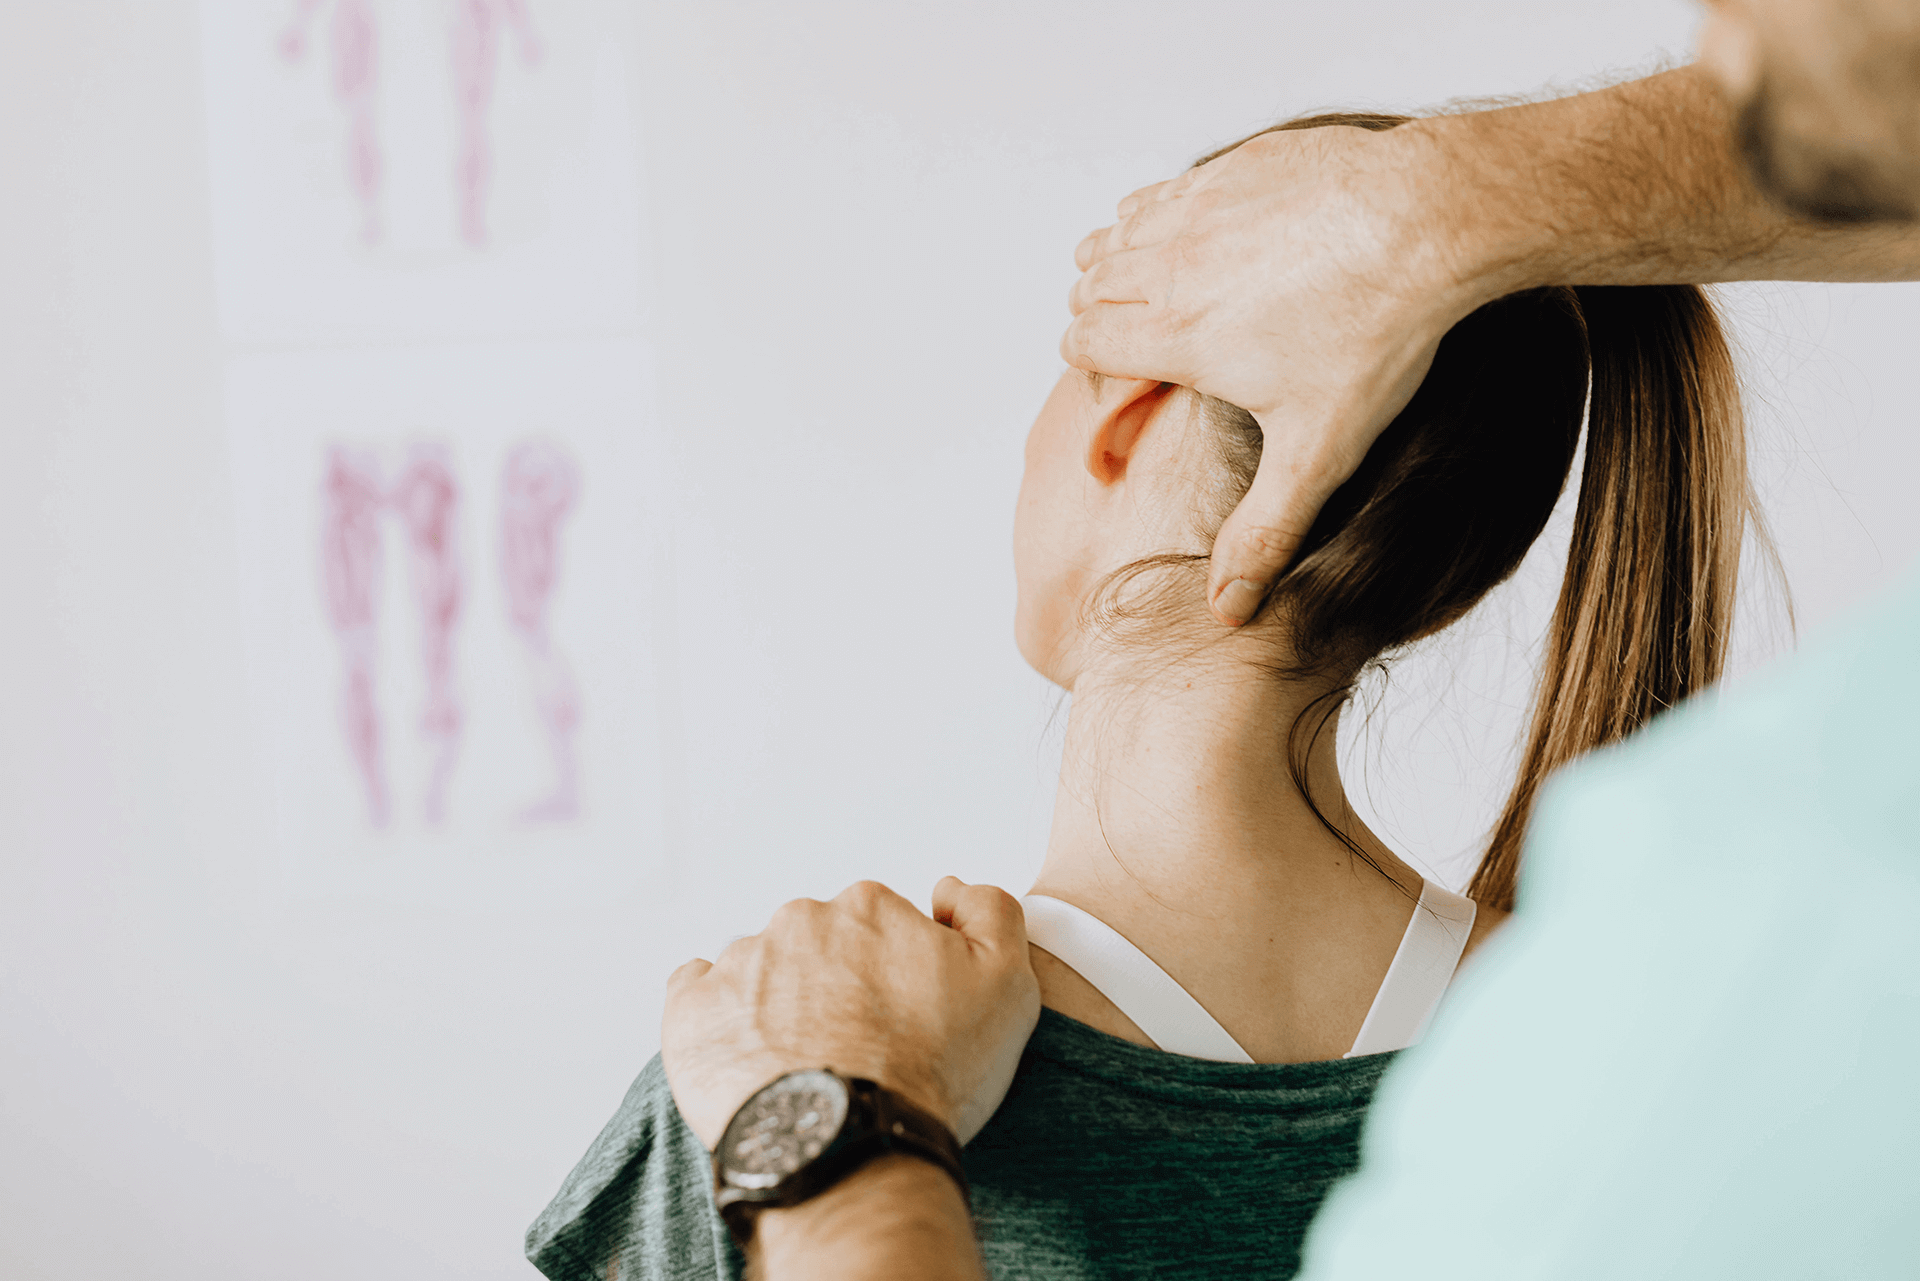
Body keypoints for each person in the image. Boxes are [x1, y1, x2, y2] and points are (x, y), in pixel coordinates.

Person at [572, 1, 1920, 1276]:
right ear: (1443, 563)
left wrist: (824, 1129)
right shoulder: (1694, 1036)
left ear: (1124, 422)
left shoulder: (770, 1091)